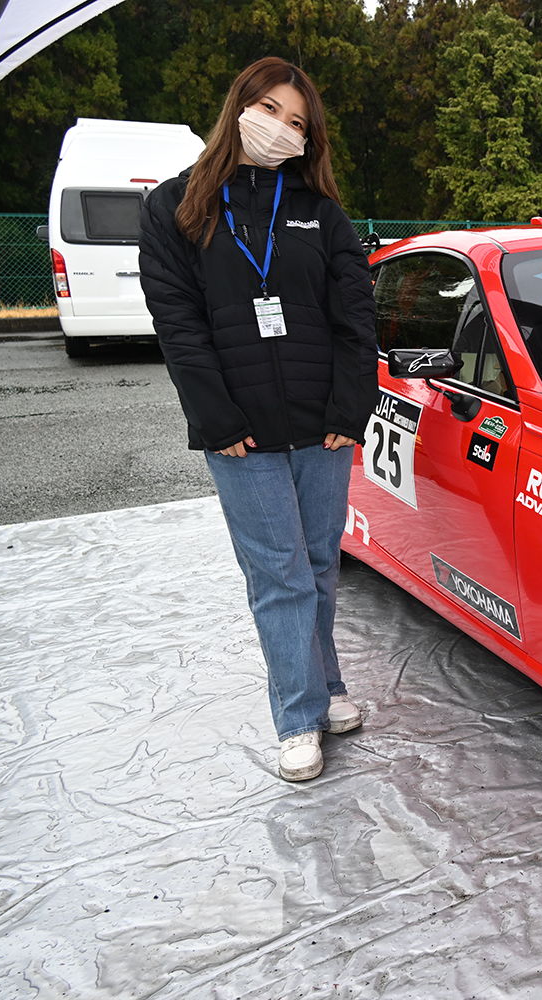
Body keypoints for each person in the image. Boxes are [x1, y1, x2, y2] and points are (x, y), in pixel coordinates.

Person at [139, 57, 378, 782]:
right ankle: (297, 716)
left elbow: (355, 316)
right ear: (240, 105)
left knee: (318, 569)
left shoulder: (319, 212)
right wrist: (216, 418)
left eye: (297, 121)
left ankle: (327, 686)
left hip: (322, 427)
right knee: (278, 575)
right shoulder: (175, 207)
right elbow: (177, 323)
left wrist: (350, 408)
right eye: (270, 108)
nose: (280, 127)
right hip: (239, 431)